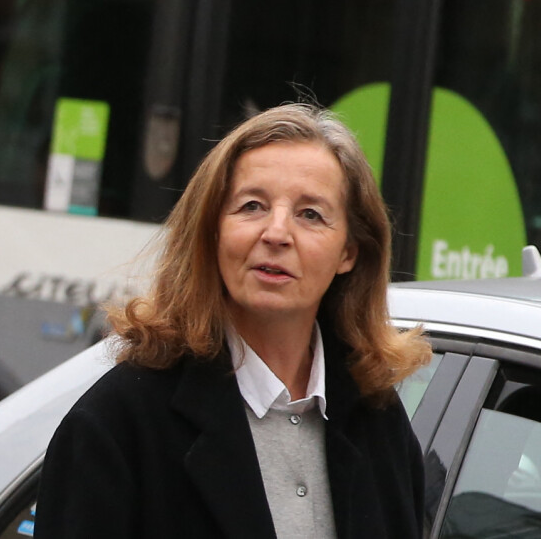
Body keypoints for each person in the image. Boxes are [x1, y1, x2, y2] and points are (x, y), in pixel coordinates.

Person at [34, 103, 432, 539]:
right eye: (252, 206)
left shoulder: (379, 422)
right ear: (212, 231)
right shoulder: (117, 424)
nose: (277, 233)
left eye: (310, 214)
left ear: (349, 253)